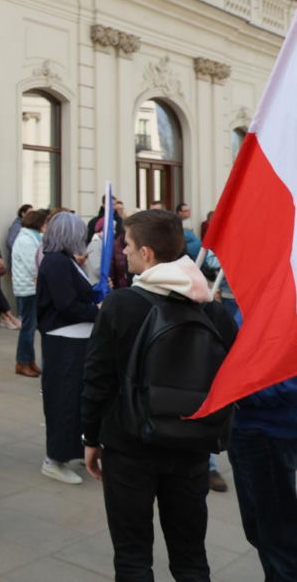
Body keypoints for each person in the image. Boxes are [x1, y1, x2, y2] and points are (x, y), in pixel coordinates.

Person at [82, 209, 237, 581]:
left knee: (133, 557)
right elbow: (231, 375)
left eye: (129, 245)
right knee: (190, 557)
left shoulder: (122, 305)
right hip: (191, 445)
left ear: (148, 253)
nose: (125, 251)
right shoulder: (212, 310)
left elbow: (97, 380)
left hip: (130, 443)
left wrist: (91, 437)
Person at [36, 211, 97, 485]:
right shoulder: (58, 262)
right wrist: (97, 310)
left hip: (73, 341)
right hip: (64, 342)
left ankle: (66, 452)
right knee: (64, 400)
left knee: (72, 400)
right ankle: (54, 458)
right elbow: (67, 305)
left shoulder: (64, 261)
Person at [227, 369, 297, 581]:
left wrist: (241, 388)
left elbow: (288, 384)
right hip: (243, 427)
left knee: (279, 538)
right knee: (258, 528)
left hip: (271, 432)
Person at [12, 207, 47, 377]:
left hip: (31, 288)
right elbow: (34, 265)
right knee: (28, 327)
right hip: (27, 289)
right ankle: (22, 362)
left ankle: (29, 361)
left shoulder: (32, 237)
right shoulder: (26, 239)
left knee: (30, 327)